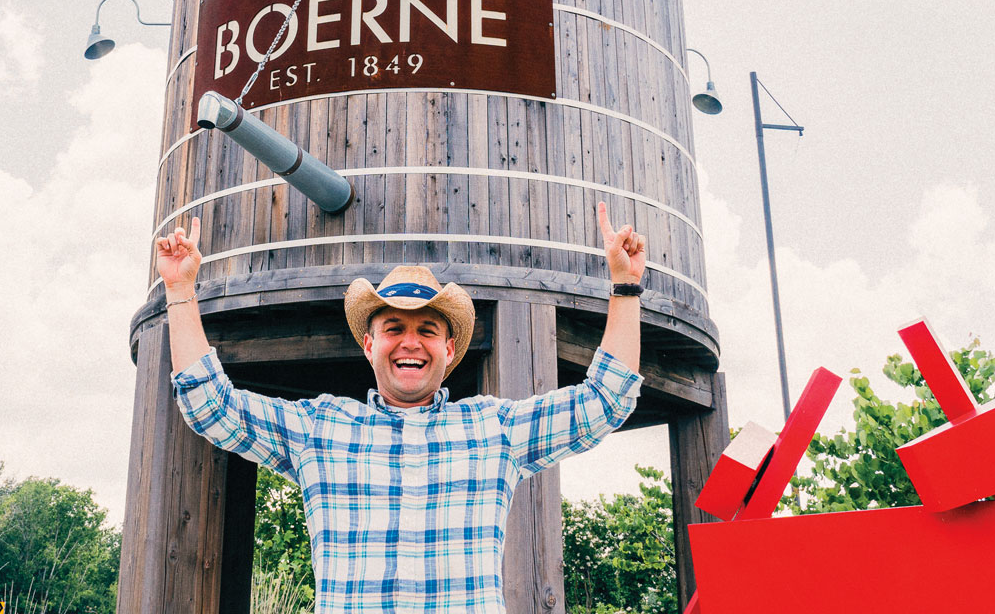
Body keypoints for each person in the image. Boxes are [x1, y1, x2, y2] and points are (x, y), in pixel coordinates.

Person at [158, 201, 646, 613]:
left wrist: (625, 289)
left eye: (427, 330)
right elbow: (210, 406)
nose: (409, 343)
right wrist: (180, 293)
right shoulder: (320, 428)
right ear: (368, 345)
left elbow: (605, 400)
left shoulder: (493, 428)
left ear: (449, 349)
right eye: (393, 328)